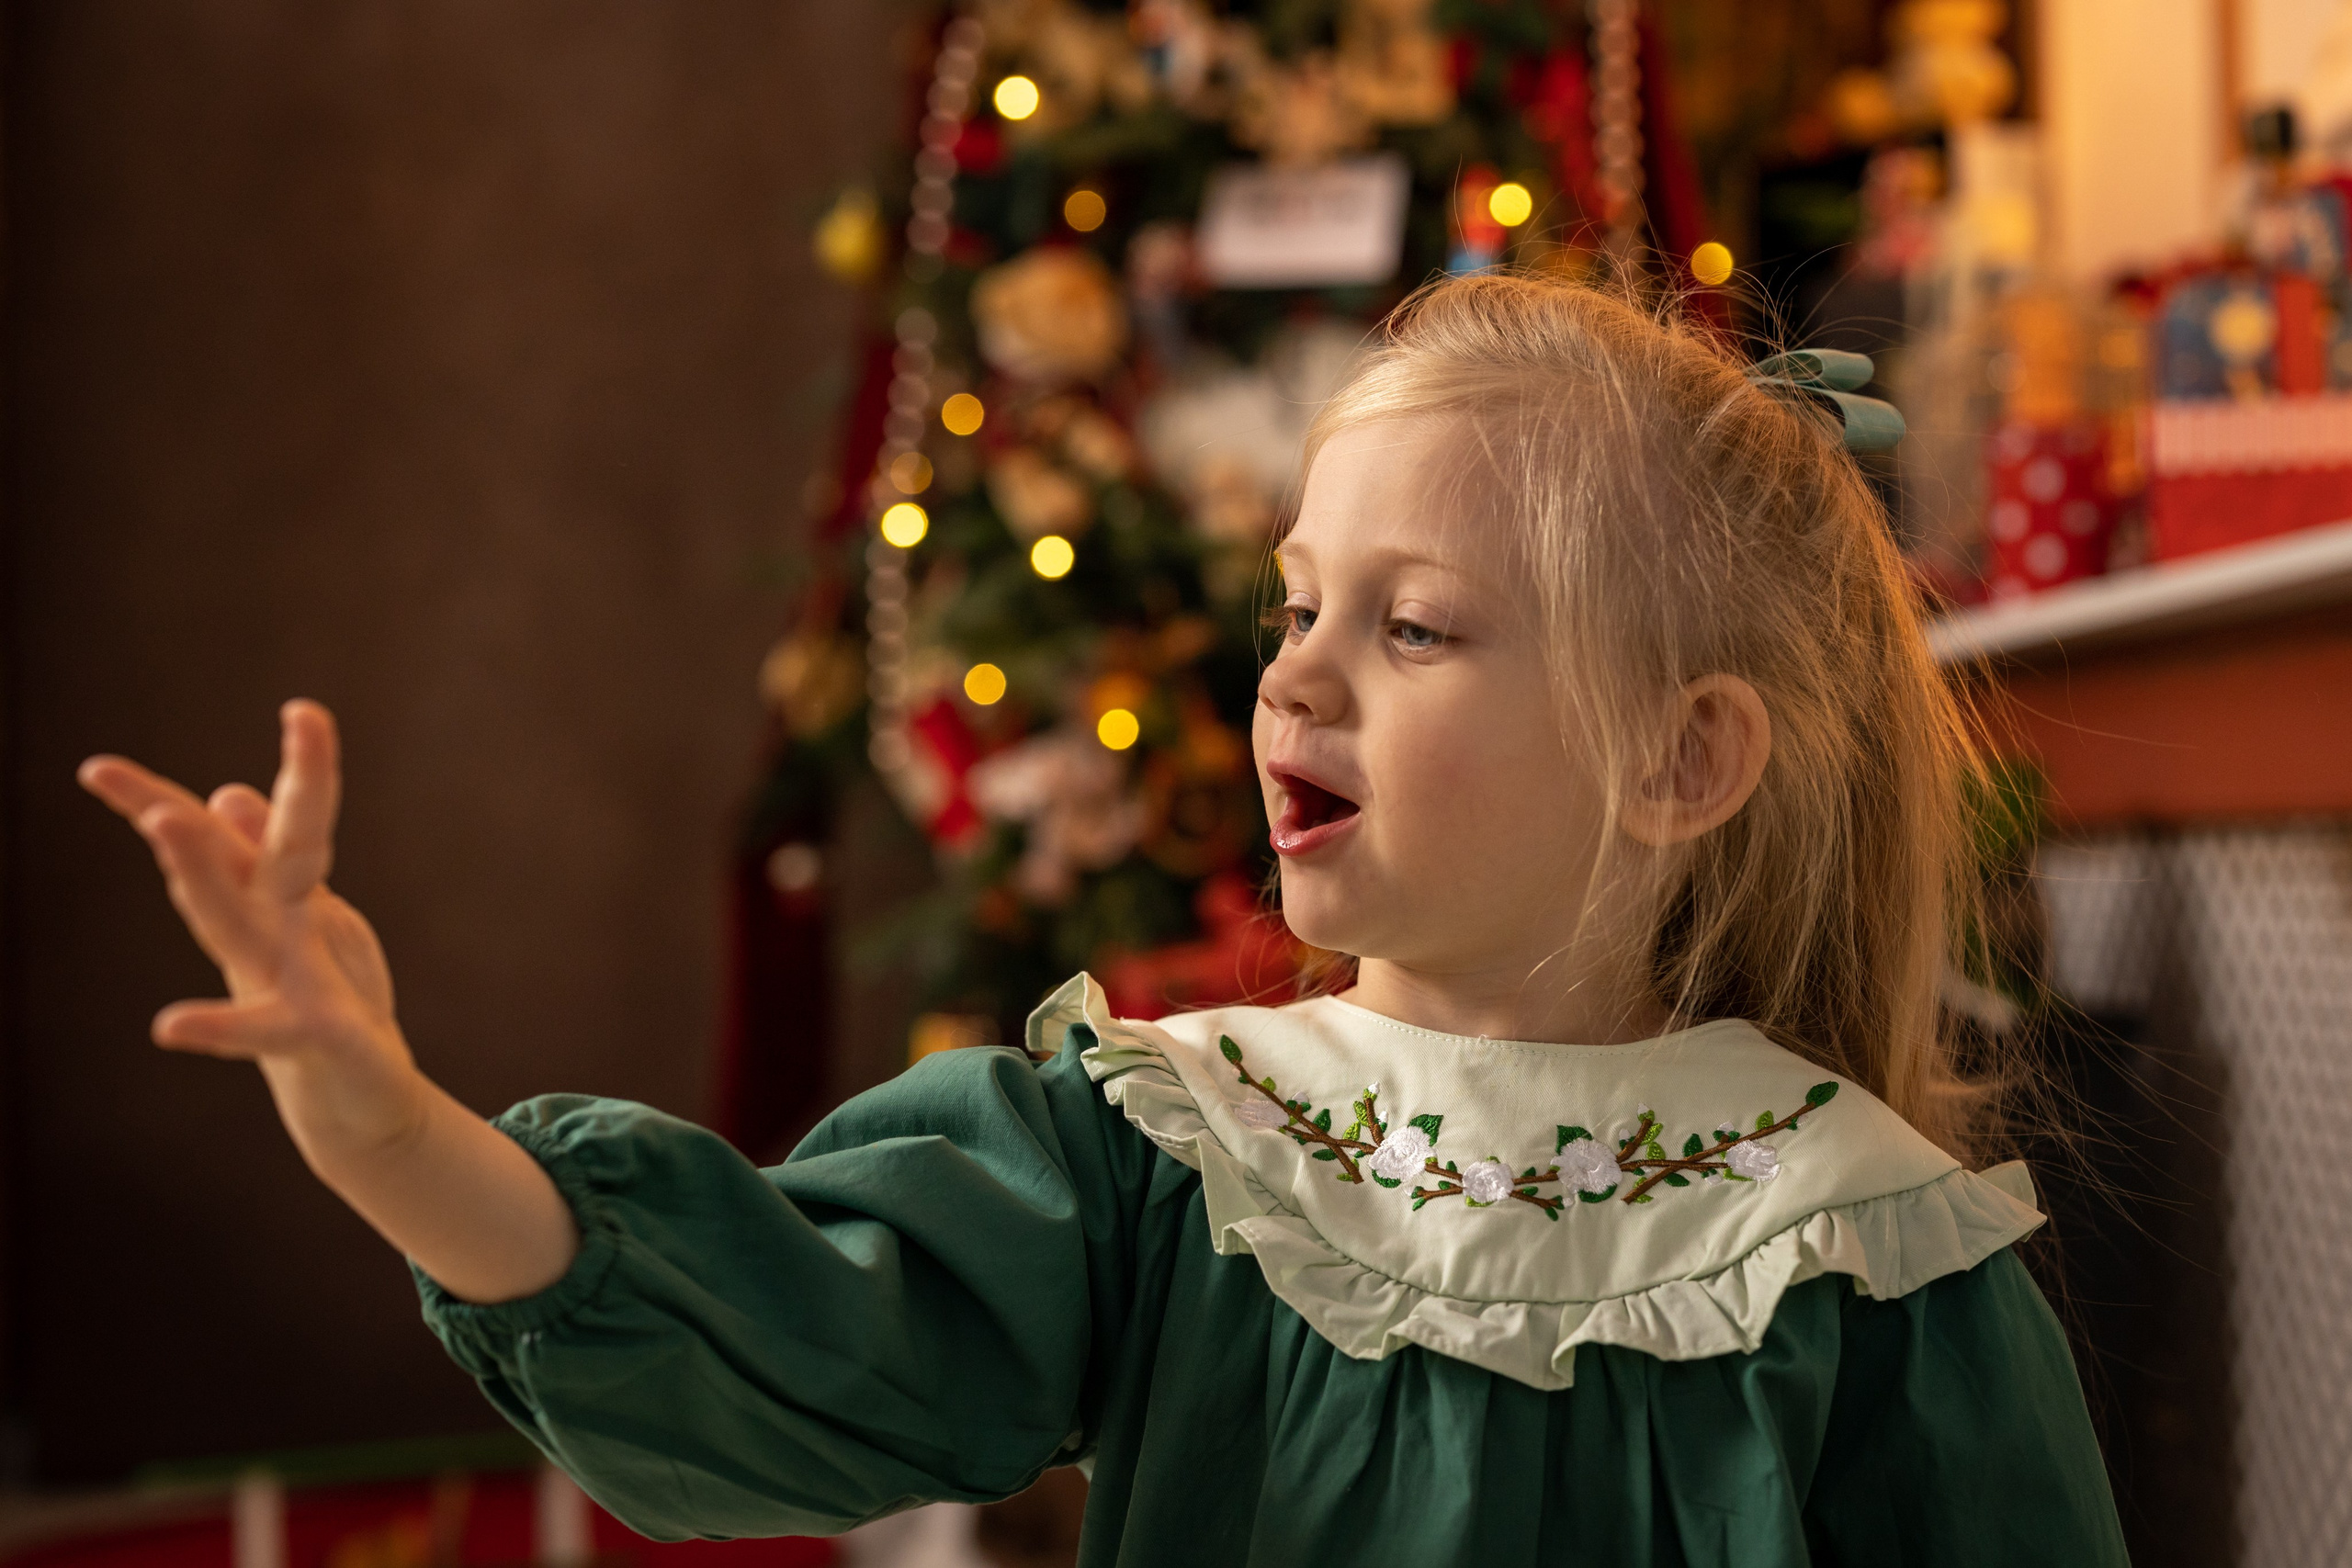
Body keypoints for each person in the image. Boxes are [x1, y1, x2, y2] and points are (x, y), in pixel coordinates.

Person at [80, 273, 2129, 1563]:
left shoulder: (1859, 1248)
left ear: (1682, 760)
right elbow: (804, 1329)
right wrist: (386, 1129)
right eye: (1294, 605)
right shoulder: (1169, 1146)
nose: (1297, 678)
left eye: (1410, 625)